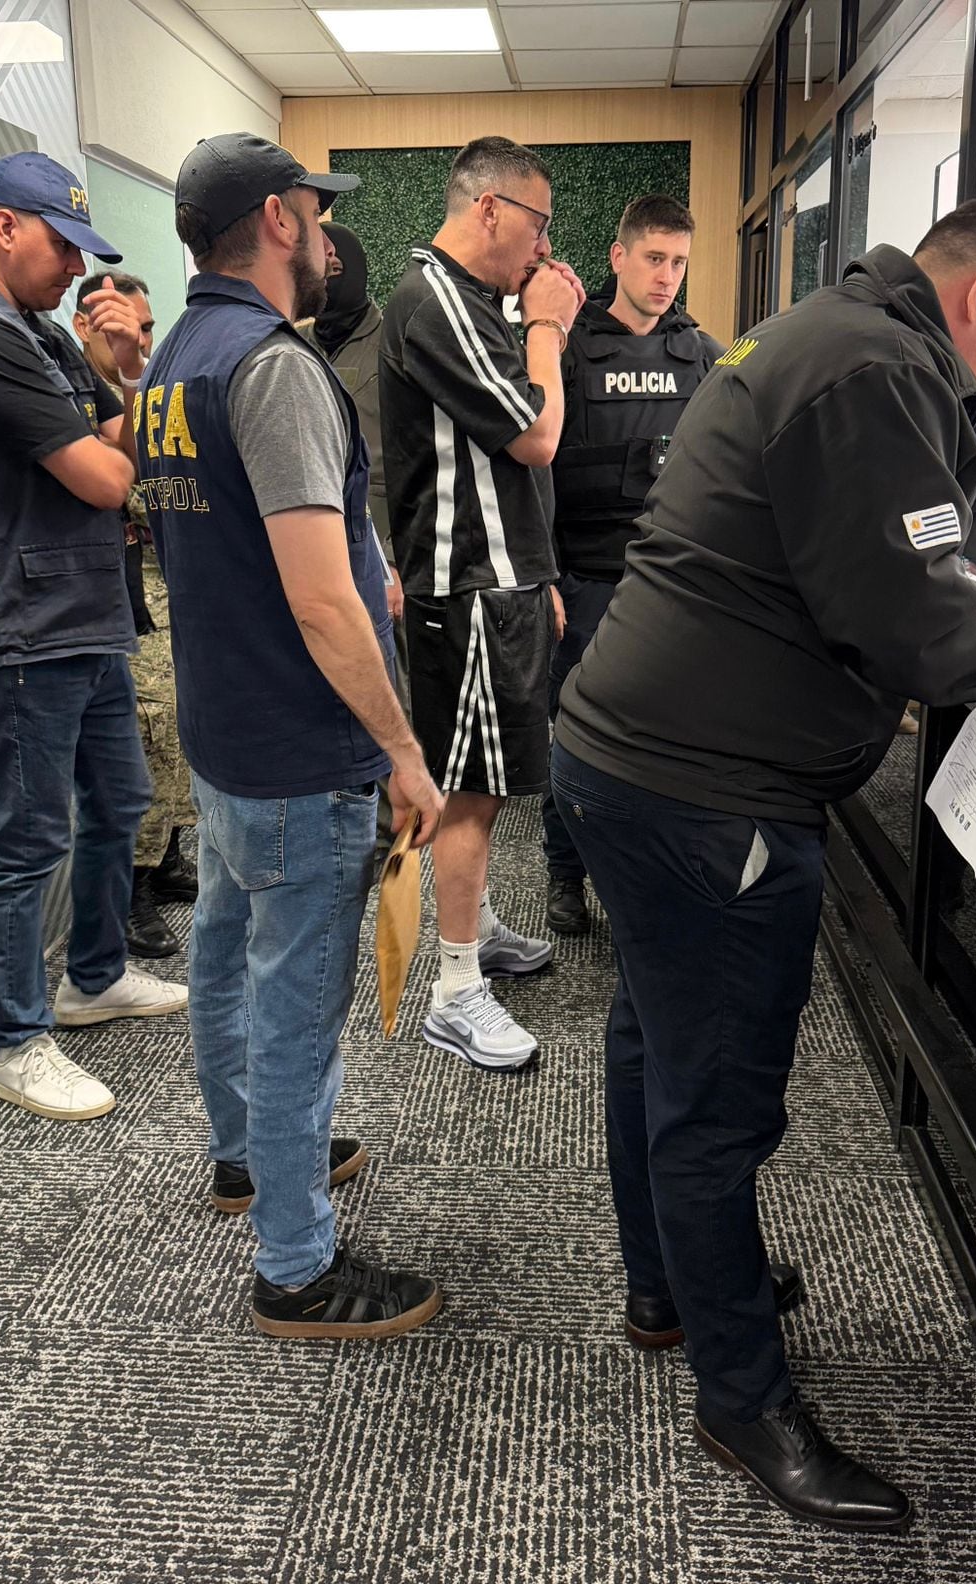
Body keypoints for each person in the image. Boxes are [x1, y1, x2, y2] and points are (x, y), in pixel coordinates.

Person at [551, 195, 976, 1531]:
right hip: (708, 794)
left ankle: (669, 1291)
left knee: (656, 1037)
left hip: (633, 759)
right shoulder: (878, 369)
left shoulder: (824, 334)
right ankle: (742, 1400)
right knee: (718, 1103)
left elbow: (865, 572)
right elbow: (916, 626)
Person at [141, 132, 445, 1337]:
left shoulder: (174, 357)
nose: (329, 241)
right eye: (318, 218)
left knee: (224, 956)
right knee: (296, 1005)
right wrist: (404, 750)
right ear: (278, 219)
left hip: (229, 732)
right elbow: (322, 599)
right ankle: (295, 1261)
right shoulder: (269, 366)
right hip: (294, 748)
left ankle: (243, 1156)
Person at [0, 152, 186, 1124]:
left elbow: (120, 437)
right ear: (6, 226)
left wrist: (129, 369)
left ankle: (94, 976)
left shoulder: (33, 331)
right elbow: (111, 478)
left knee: (122, 799)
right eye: (63, 244)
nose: (77, 268)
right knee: (26, 840)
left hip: (81, 617)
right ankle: (14, 1040)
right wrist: (124, 412)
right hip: (15, 629)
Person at [380, 136, 584, 1072]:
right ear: (491, 208)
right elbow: (537, 436)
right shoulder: (433, 299)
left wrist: (537, 576)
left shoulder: (471, 302)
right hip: (463, 589)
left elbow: (504, 469)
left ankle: (476, 924)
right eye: (540, 226)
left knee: (488, 784)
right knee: (467, 795)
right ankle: (455, 988)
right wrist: (546, 325)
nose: (545, 251)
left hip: (499, 582)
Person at [543, 193, 723, 936]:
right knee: (576, 735)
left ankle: (642, 878)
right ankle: (563, 874)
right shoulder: (564, 347)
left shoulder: (705, 355)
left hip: (670, 586)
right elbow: (536, 472)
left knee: (662, 745)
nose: (667, 276)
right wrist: (546, 574)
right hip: (583, 579)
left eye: (679, 261)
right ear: (618, 257)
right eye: (654, 258)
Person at [72, 270, 199, 961]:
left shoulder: (144, 395)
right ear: (84, 327)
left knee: (178, 723)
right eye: (127, 327)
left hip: (160, 586)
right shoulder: (72, 395)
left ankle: (170, 855)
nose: (141, 340)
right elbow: (127, 490)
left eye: (147, 328)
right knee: (150, 735)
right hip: (113, 595)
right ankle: (133, 892)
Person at [307, 221, 410, 853]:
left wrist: (393, 563)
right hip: (312, 556)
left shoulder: (392, 345)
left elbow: (414, 464)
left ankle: (378, 846)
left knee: (384, 710)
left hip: (384, 559)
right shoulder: (291, 345)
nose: (326, 284)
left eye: (334, 273)